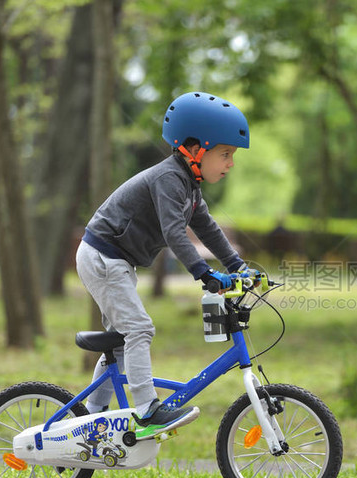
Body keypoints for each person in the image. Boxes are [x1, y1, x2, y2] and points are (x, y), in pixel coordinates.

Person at [75, 91, 250, 436]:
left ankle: (88, 419)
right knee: (139, 329)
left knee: (121, 340)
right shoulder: (168, 179)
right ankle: (146, 410)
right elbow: (173, 232)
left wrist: (237, 265)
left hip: (114, 260)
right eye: (225, 154)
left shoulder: (190, 188)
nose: (231, 163)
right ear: (195, 149)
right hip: (103, 255)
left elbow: (207, 229)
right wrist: (204, 274)